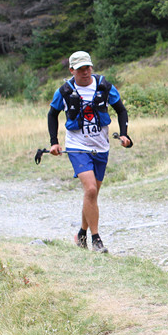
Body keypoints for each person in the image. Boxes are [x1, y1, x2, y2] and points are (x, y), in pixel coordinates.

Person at [47, 51, 132, 253]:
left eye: (88, 68)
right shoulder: (64, 91)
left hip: (101, 146)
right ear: (72, 70)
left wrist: (124, 134)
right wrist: (54, 142)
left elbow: (121, 110)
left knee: (91, 195)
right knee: (91, 190)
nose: (85, 72)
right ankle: (96, 240)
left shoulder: (104, 86)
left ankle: (81, 234)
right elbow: (52, 114)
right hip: (77, 146)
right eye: (80, 69)